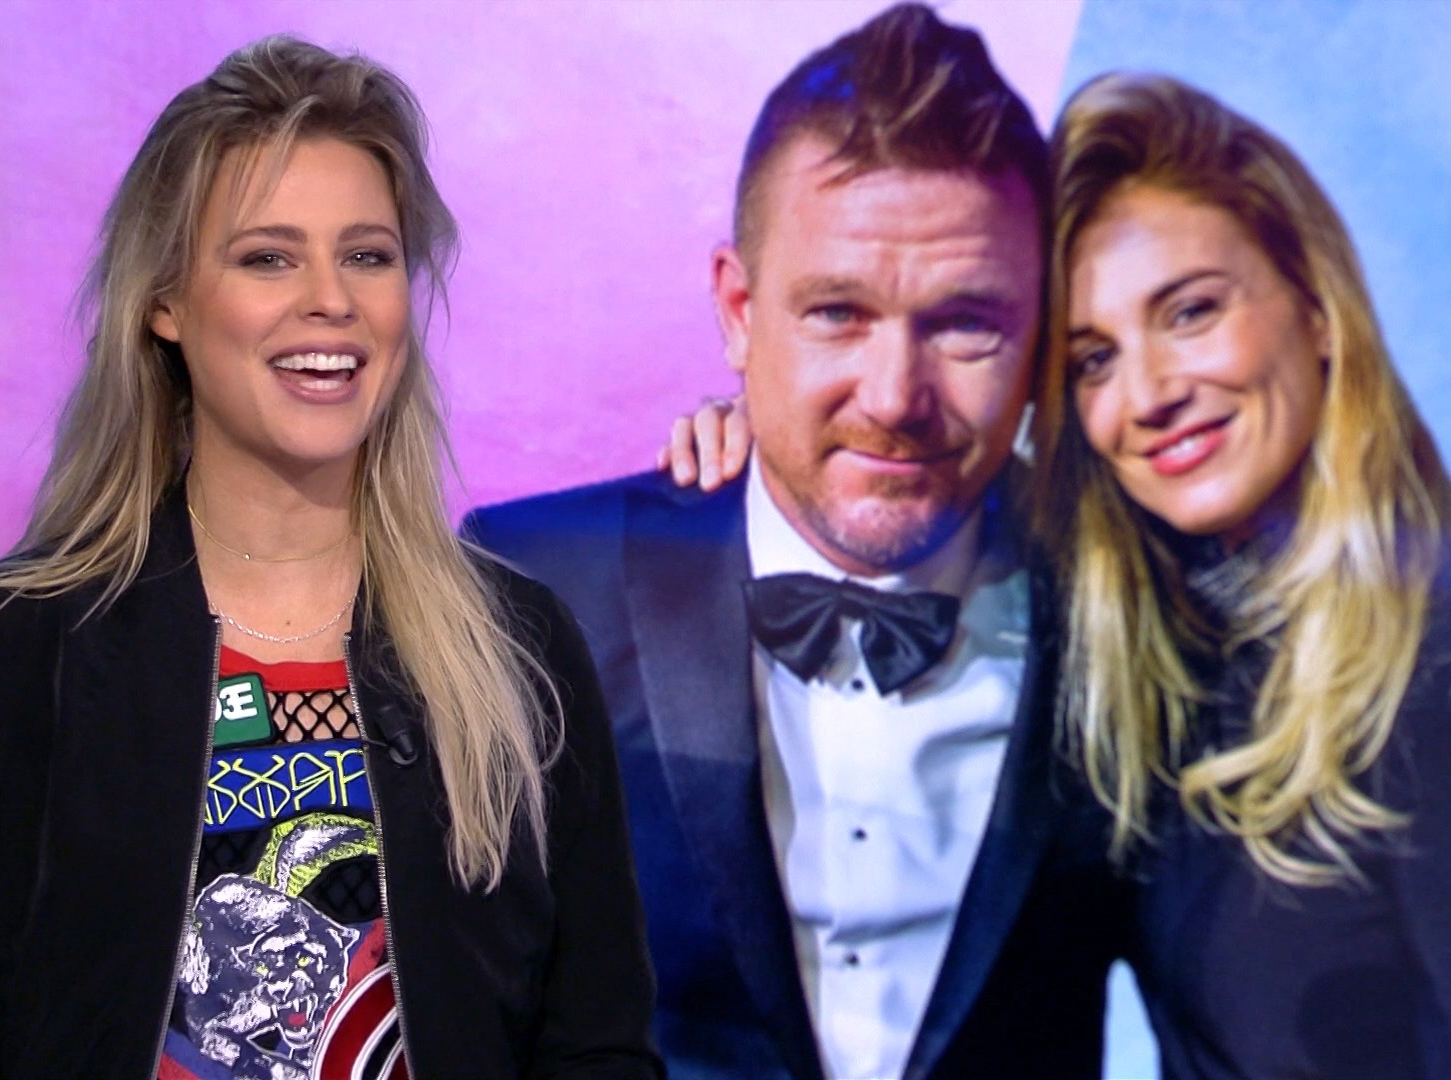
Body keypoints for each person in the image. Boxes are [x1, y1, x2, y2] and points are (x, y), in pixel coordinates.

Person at [0, 36, 659, 1080]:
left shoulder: (519, 648)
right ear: (165, 303)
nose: (331, 299)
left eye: (368, 255)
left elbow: (596, 1050)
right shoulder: (17, 647)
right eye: (269, 257)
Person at [670, 70, 1451, 1080]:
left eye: (1191, 311)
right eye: (1093, 360)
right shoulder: (1158, 659)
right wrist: (793, 451)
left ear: (1317, 306)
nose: (1149, 394)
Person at [466, 7, 1121, 1079]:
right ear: (739, 309)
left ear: (1040, 326)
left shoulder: (1131, 612)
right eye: (837, 313)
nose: (894, 397)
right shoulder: (533, 590)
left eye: (966, 322)